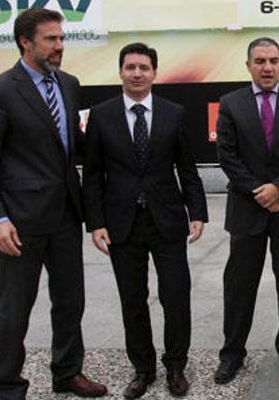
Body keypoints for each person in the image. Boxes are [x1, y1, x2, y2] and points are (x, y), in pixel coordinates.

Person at [0, 8, 107, 399]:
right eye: (51, 39)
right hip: (20, 222)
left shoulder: (68, 84)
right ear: (25, 42)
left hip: (65, 214)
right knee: (15, 309)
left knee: (70, 302)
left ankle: (67, 373)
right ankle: (7, 385)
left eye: (62, 38)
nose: (60, 46)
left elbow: (69, 147)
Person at [82, 43, 208, 398]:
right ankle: (143, 369)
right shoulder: (102, 115)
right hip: (121, 224)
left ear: (155, 72)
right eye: (130, 67)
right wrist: (96, 222)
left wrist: (196, 212)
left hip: (167, 220)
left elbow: (187, 168)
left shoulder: (174, 113)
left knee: (176, 296)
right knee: (132, 300)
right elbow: (92, 175)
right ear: (120, 71)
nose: (137, 73)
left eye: (144, 67)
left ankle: (176, 367)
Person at [213, 37, 279, 384]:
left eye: (273, 60)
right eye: (260, 61)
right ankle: (232, 354)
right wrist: (261, 192)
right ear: (248, 66)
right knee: (240, 286)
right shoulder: (230, 104)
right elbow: (227, 156)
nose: (268, 67)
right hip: (247, 209)